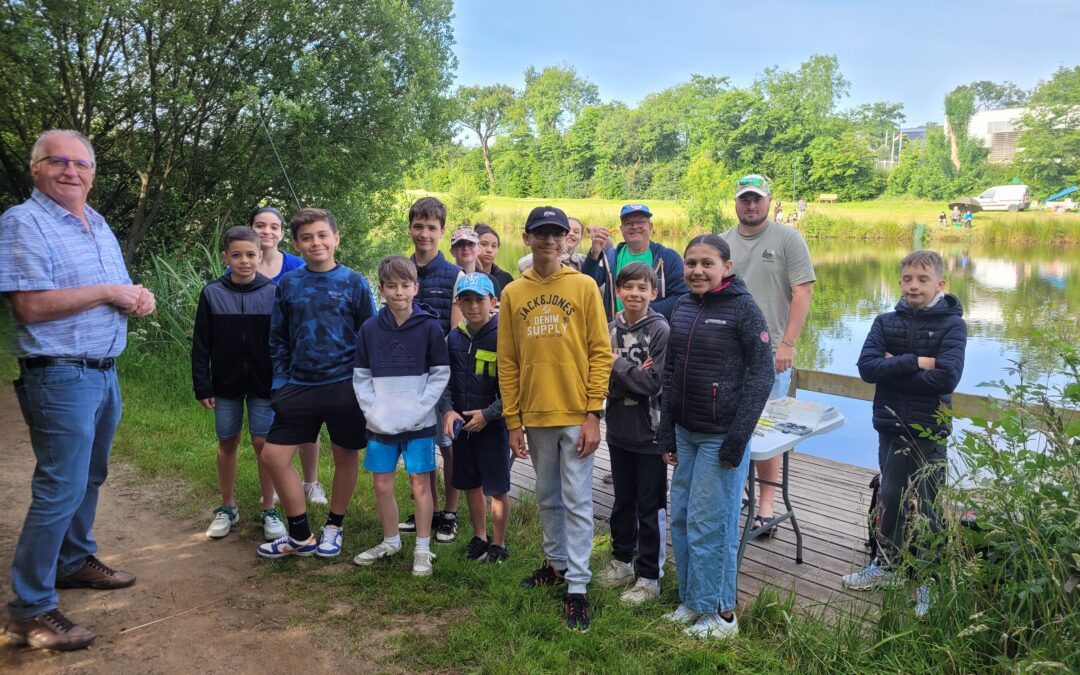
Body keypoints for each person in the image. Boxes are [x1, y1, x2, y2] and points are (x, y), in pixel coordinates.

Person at [1, 129, 155, 651]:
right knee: (59, 487)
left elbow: (110, 288)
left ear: (92, 172)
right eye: (57, 161)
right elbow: (30, 306)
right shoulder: (24, 222)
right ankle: (29, 609)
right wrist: (111, 292)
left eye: (81, 163)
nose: (71, 171)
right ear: (36, 169)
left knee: (90, 474)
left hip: (103, 370)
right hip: (59, 372)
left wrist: (136, 296)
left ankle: (72, 561)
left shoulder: (99, 222)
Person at [500, 205, 613, 632]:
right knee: (546, 495)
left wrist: (593, 413)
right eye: (540, 233)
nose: (549, 241)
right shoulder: (513, 292)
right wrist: (513, 421)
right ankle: (556, 563)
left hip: (576, 413)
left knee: (578, 500)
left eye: (557, 234)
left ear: (568, 240)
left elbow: (601, 352)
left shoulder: (584, 286)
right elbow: (508, 361)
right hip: (535, 413)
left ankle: (578, 587)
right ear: (527, 237)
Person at [657, 234, 773, 640]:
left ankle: (722, 615)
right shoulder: (684, 306)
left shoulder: (744, 310)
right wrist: (666, 431)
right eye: (691, 263)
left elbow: (763, 376)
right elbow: (672, 373)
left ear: (727, 267)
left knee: (713, 524)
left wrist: (737, 439)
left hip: (720, 436)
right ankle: (693, 601)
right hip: (685, 432)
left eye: (707, 263)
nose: (697, 271)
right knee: (684, 518)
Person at [844, 250, 966, 617]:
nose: (914, 285)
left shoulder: (953, 326)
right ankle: (887, 566)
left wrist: (892, 365)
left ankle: (929, 578)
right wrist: (916, 361)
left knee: (930, 504)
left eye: (923, 279)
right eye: (908, 279)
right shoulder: (884, 321)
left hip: (929, 428)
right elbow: (867, 368)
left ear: (940, 284)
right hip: (891, 425)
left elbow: (946, 377)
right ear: (900, 282)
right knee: (892, 497)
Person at [256, 208, 376, 559]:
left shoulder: (354, 282)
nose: (316, 242)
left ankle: (334, 527)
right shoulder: (289, 284)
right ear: (296, 244)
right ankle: (300, 535)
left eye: (323, 235)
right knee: (274, 456)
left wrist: (366, 386)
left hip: (344, 386)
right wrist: (280, 383)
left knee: (345, 454)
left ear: (336, 238)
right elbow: (277, 338)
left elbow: (368, 335)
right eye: (307, 238)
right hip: (299, 384)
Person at [720, 175, 815, 534]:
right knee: (732, 426)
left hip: (771, 355)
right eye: (744, 199)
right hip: (729, 356)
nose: (751, 205)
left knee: (767, 433)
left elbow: (802, 292)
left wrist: (787, 343)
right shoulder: (724, 242)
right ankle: (740, 494)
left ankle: (767, 506)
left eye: (757, 199)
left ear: (769, 201)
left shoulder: (788, 238)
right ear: (736, 202)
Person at [352, 256, 449, 576]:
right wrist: (373, 412)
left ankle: (422, 548)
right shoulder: (369, 329)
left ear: (415, 288)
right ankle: (391, 540)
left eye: (405, 285)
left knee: (420, 484)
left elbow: (439, 374)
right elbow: (361, 377)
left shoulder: (430, 327)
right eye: (391, 286)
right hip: (380, 424)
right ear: (381, 289)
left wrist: (420, 409)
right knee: (382, 485)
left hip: (419, 424)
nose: (398, 292)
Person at [192, 226, 285, 542]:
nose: (244, 261)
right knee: (227, 441)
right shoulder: (212, 293)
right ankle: (227, 506)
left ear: (260, 255)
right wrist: (202, 385)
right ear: (225, 257)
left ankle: (269, 507)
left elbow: (283, 342)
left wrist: (282, 380)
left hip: (264, 383)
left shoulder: (273, 292)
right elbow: (201, 345)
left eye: (250, 254)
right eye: (236, 255)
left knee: (263, 445)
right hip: (226, 383)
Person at [595, 262, 670, 606]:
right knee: (622, 501)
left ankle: (650, 575)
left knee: (650, 506)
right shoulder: (608, 329)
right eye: (628, 287)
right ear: (619, 291)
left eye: (643, 288)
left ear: (654, 293)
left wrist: (617, 365)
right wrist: (626, 372)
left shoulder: (659, 331)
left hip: (651, 434)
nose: (635, 294)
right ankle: (622, 560)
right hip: (618, 431)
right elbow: (596, 376)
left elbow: (652, 384)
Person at [249, 206, 327, 505]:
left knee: (307, 422)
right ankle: (274, 487)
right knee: (269, 424)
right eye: (260, 225)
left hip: (299, 355)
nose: (266, 231)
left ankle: (311, 481)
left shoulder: (296, 266)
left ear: (283, 234)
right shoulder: (242, 262)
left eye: (273, 226)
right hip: (258, 355)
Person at [439, 274, 512, 564]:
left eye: (479, 299)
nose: (472, 306)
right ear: (458, 303)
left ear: (493, 302)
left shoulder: (504, 336)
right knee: (470, 483)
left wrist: (489, 414)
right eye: (466, 300)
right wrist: (447, 410)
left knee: (497, 487)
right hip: (462, 427)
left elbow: (514, 388)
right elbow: (444, 381)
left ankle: (499, 544)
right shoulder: (454, 337)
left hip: (493, 426)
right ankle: (479, 537)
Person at [405, 197, 463, 543]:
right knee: (419, 443)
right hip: (407, 376)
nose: (424, 233)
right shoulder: (400, 269)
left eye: (431, 228)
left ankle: (451, 512)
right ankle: (430, 506)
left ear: (441, 231)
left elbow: (456, 333)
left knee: (447, 442)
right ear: (410, 228)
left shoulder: (455, 275)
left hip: (441, 376)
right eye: (418, 226)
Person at [581, 203, 688, 321]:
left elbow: (681, 297)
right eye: (628, 223)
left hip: (654, 332)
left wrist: (642, 312)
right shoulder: (610, 257)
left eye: (641, 222)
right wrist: (594, 253)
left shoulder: (668, 258)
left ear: (650, 226)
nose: (634, 226)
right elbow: (586, 285)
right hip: (616, 332)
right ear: (621, 229)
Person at [517, 216, 587, 273]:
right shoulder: (543, 253)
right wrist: (560, 255)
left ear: (581, 237)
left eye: (576, 232)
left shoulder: (583, 260)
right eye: (568, 231)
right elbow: (522, 267)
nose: (571, 234)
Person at [449, 225, 502, 299]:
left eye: (471, 244)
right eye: (460, 244)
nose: (466, 248)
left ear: (479, 249)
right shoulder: (446, 278)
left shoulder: (491, 281)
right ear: (452, 251)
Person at [474, 223, 515, 295]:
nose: (489, 250)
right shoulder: (462, 274)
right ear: (473, 245)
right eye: (484, 244)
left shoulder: (506, 279)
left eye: (494, 246)